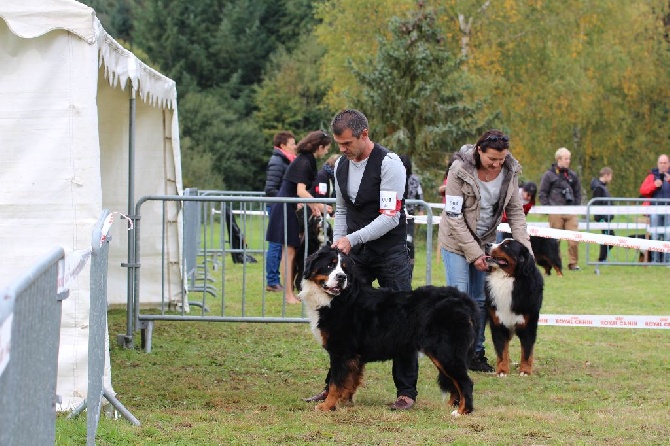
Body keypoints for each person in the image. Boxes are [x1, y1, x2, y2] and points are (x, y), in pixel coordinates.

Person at [303, 109, 418, 411]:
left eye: (347, 143)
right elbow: (341, 211)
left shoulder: (390, 164)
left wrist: (351, 240)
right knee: (342, 322)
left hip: (390, 253)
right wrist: (340, 249)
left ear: (364, 134)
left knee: (403, 319)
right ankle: (338, 389)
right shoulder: (341, 164)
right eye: (339, 144)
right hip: (355, 257)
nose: (342, 149)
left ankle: (406, 391)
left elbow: (390, 217)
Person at [438, 130, 532, 373]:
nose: (497, 164)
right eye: (492, 159)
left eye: (501, 159)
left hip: (486, 242)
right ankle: (455, 352)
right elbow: (454, 216)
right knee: (460, 297)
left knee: (480, 300)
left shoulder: (510, 173)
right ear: (479, 151)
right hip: (455, 241)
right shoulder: (458, 170)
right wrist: (474, 254)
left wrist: (525, 251)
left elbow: (516, 213)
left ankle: (475, 353)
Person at [265, 131, 331, 304]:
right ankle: (288, 295)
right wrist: (319, 205)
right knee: (289, 252)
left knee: (290, 252)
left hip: (288, 206)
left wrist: (314, 206)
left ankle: (289, 293)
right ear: (320, 146)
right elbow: (300, 191)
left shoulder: (305, 159)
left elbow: (299, 191)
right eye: (326, 149)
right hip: (285, 208)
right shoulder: (304, 161)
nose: (326, 152)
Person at [539, 147, 582, 271]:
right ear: (559, 159)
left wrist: (576, 207)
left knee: (574, 239)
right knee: (555, 241)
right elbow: (543, 193)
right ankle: (556, 263)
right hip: (555, 212)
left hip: (571, 211)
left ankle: (573, 264)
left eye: (569, 158)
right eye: (566, 159)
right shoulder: (549, 175)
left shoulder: (572, 175)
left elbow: (578, 192)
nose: (568, 161)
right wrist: (548, 209)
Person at [264, 131, 297, 292]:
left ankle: (275, 280)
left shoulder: (284, 161)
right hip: (277, 207)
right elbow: (270, 188)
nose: (295, 147)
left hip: (281, 206)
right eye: (292, 144)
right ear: (283, 145)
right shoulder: (277, 162)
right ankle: (272, 281)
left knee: (280, 244)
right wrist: (286, 199)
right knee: (276, 244)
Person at [639, 154, 670, 263]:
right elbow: (642, 190)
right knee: (655, 235)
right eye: (661, 163)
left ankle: (667, 261)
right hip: (655, 210)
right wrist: (654, 185)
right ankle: (655, 260)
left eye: (665, 163)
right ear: (658, 164)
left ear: (668, 164)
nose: (663, 165)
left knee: (668, 235)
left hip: (668, 211)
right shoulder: (652, 176)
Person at [399, 154, 424, 280]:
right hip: (398, 214)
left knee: (409, 242)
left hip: (410, 215)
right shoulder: (396, 177)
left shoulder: (414, 179)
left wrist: (421, 209)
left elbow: (420, 194)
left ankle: (410, 268)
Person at [590, 167, 614, 263]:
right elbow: (597, 204)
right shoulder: (599, 188)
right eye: (610, 176)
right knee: (609, 237)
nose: (611, 179)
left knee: (608, 237)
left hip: (606, 217)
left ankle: (603, 258)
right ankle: (602, 259)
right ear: (606, 175)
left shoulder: (602, 187)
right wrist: (600, 218)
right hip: (603, 218)